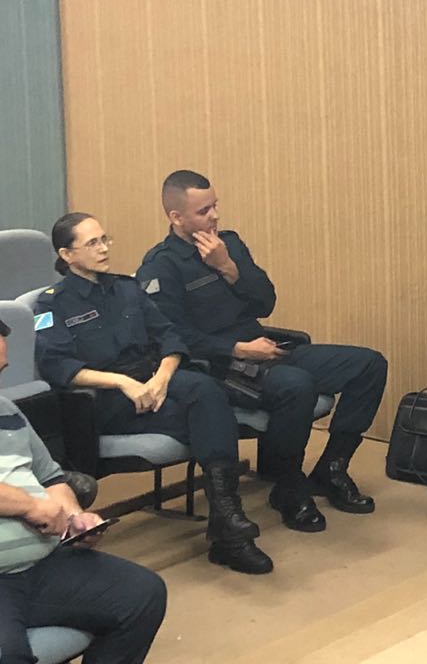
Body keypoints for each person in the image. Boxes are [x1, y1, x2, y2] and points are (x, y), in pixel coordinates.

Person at [137, 170, 388, 533]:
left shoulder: (229, 245)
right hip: (217, 365)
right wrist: (236, 348)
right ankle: (288, 486)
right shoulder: (161, 265)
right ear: (176, 217)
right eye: (203, 211)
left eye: (215, 206)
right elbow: (171, 336)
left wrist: (228, 267)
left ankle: (332, 468)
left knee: (368, 365)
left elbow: (265, 301)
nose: (214, 216)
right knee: (295, 385)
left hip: (261, 348)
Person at [33, 213, 274, 575]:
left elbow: (170, 336)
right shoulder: (52, 304)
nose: (103, 249)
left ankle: (227, 523)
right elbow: (58, 367)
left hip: (153, 378)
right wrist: (123, 383)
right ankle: (229, 531)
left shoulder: (127, 288)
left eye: (104, 239)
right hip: (107, 396)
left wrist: (162, 376)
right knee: (208, 418)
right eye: (92, 243)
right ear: (67, 255)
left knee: (207, 391)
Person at [0, 315, 167, 664]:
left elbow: (51, 478)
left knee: (141, 595)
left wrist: (74, 518)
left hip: (42, 565)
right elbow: (33, 500)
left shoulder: (7, 410)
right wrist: (29, 506)